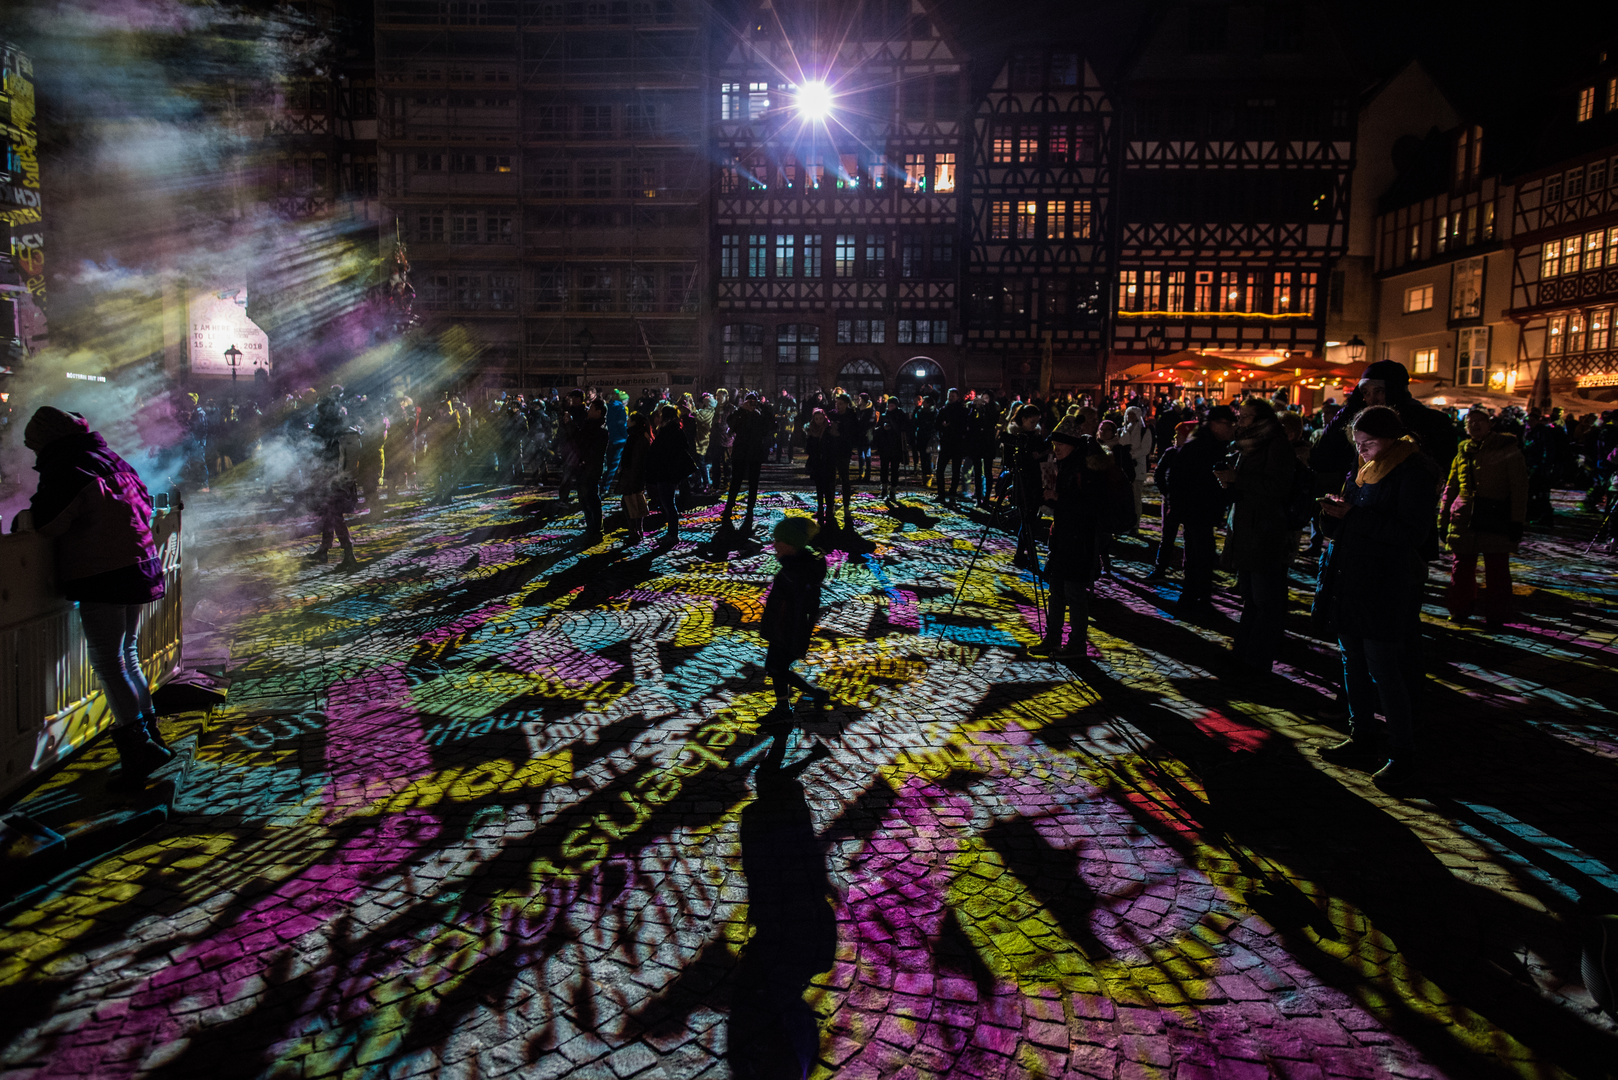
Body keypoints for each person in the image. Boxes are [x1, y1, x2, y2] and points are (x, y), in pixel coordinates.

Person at [15, 408, 173, 786]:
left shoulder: (68, 467)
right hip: (138, 565)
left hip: (104, 573)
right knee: (129, 655)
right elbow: (145, 503)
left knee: (108, 663)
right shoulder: (109, 458)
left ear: (46, 442)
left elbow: (49, 521)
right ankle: (151, 735)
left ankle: (138, 748)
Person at [1317, 405, 1441, 789]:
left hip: (1386, 582)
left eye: (1368, 443)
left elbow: (1411, 533)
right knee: (1351, 661)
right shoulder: (1364, 467)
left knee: (1384, 668)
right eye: (1358, 443)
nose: (1363, 450)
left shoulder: (1413, 470)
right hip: (1350, 576)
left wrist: (1352, 515)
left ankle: (1402, 751)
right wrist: (1332, 514)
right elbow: (1351, 512)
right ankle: (1362, 736)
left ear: (1391, 437)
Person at [1214, 398, 1297, 675]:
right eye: (1241, 416)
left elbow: (1279, 486)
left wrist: (1238, 479)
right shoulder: (1248, 445)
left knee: (1265, 600)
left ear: (1262, 419)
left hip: (1264, 531)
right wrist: (1228, 482)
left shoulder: (1275, 444)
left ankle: (1258, 660)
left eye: (1247, 417)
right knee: (1250, 597)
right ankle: (1244, 653)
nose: (1241, 422)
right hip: (1247, 528)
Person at [1031, 414, 1118, 659]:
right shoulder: (1067, 464)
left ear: (1072, 444)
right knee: (1056, 590)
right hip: (1062, 535)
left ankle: (1076, 644)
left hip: (1080, 540)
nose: (1056, 449)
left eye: (1060, 445)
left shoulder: (1086, 468)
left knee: (1075, 594)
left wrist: (1058, 499)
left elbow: (1089, 506)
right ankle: (1053, 638)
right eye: (1054, 445)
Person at [1442, 408, 1529, 630]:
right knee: (1461, 567)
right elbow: (1451, 487)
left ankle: (1496, 614)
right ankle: (1460, 610)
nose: (1475, 426)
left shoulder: (1507, 449)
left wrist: (1517, 521)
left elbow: (1519, 488)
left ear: (1490, 424)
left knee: (1497, 568)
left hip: (1496, 517)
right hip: (1464, 518)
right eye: (1470, 422)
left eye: (1480, 421)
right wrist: (1442, 519)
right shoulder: (1462, 452)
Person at [759, 515, 832, 724]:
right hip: (785, 629)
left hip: (787, 630)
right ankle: (813, 695)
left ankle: (786, 708)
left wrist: (784, 632)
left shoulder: (795, 573)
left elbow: (798, 607)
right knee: (776, 667)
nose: (774, 545)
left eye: (779, 541)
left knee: (775, 667)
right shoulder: (796, 567)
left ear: (791, 544)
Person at [1169, 405, 1235, 608]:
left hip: (1199, 508)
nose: (1231, 428)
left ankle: (1194, 594)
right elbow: (1179, 478)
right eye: (1228, 424)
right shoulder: (1202, 446)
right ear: (1215, 424)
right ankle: (1197, 595)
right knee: (1201, 553)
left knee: (1198, 552)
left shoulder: (1212, 444)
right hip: (1197, 508)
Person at [305, 396, 362, 569]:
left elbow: (317, 451)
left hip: (334, 480)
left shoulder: (326, 429)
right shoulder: (347, 429)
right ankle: (324, 549)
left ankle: (349, 554)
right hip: (342, 479)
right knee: (329, 515)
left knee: (335, 516)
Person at [1146, 421, 1198, 581]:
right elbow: (1159, 474)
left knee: (1190, 539)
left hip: (1189, 503)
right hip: (1171, 501)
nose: (1175, 437)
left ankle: (1189, 571)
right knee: (1167, 537)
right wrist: (1166, 492)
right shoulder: (1170, 453)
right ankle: (1160, 569)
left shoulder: (1196, 456)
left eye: (1179, 434)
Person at [645, 405, 696, 545]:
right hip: (670, 472)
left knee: (668, 503)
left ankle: (673, 535)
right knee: (668, 503)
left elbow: (659, 451)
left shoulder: (667, 431)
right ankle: (671, 533)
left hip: (666, 471)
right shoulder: (676, 430)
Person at [724, 393, 769, 532]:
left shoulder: (759, 415)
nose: (751, 405)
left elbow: (769, 427)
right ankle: (728, 509)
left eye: (753, 402)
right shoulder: (740, 414)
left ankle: (750, 511)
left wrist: (763, 408)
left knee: (753, 483)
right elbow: (730, 422)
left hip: (754, 452)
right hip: (741, 452)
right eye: (749, 402)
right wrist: (741, 410)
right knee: (736, 481)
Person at [617, 410, 652, 545]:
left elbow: (636, 459)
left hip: (632, 476)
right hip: (635, 476)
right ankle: (638, 530)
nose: (627, 422)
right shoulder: (640, 436)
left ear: (634, 422)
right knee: (634, 502)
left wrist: (632, 475)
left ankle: (634, 532)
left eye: (629, 420)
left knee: (630, 504)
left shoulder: (636, 437)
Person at [1119, 405, 1155, 535]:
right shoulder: (1123, 429)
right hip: (1125, 468)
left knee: (1135, 497)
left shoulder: (1144, 431)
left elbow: (1145, 449)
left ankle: (1135, 524)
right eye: (1128, 414)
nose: (1130, 417)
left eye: (1132, 414)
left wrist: (1130, 455)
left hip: (1137, 467)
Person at [803, 408, 838, 527]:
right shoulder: (811, 430)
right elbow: (808, 447)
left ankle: (829, 510)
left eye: (820, 418)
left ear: (824, 418)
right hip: (816, 462)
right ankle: (820, 509)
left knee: (828, 488)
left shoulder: (828, 429)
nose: (818, 421)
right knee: (819, 488)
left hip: (827, 462)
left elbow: (832, 446)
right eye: (816, 419)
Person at [935, 388, 970, 505]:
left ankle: (952, 492)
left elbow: (964, 426)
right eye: (949, 395)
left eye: (953, 396)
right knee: (940, 469)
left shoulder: (962, 410)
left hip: (957, 444)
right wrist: (942, 425)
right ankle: (941, 493)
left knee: (956, 470)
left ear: (957, 397)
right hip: (946, 443)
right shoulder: (943, 409)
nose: (951, 398)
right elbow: (937, 425)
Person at [873, 407, 905, 501]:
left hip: (896, 447)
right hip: (885, 447)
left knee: (895, 469)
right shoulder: (884, 415)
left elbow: (904, 428)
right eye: (889, 405)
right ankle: (884, 489)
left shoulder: (900, 415)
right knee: (884, 469)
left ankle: (893, 490)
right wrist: (883, 428)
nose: (890, 407)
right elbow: (878, 429)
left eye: (892, 404)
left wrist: (894, 427)